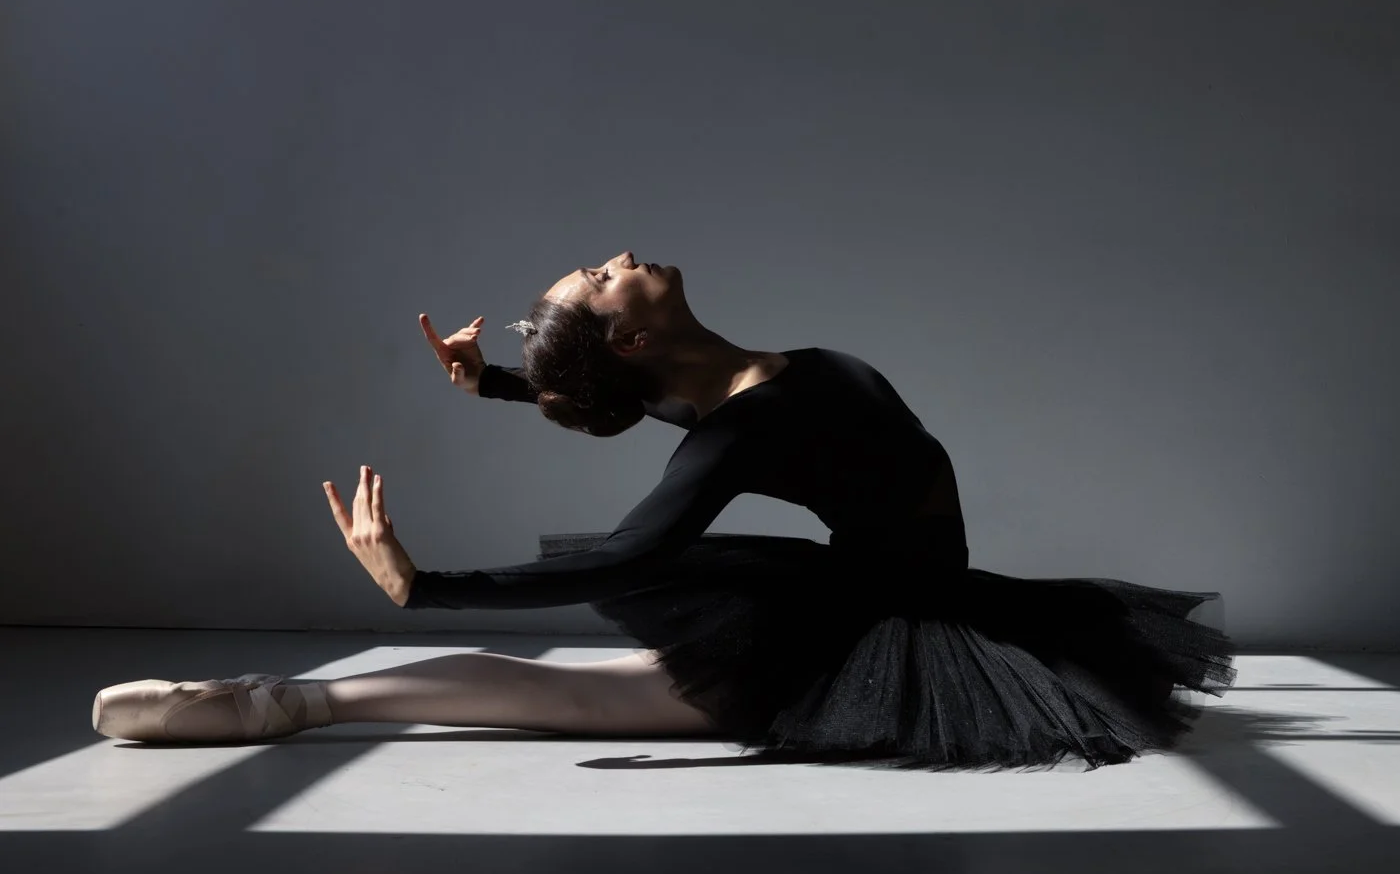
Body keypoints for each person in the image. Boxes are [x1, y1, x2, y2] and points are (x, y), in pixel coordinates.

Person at [92, 251, 1236, 769]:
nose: (614, 256)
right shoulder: (747, 420)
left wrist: (499, 381)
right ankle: (282, 702)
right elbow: (636, 552)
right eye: (596, 280)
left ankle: (296, 699)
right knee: (571, 693)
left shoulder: (733, 396)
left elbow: (651, 411)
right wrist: (421, 582)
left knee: (591, 694)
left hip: (901, 601)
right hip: (865, 621)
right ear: (634, 337)